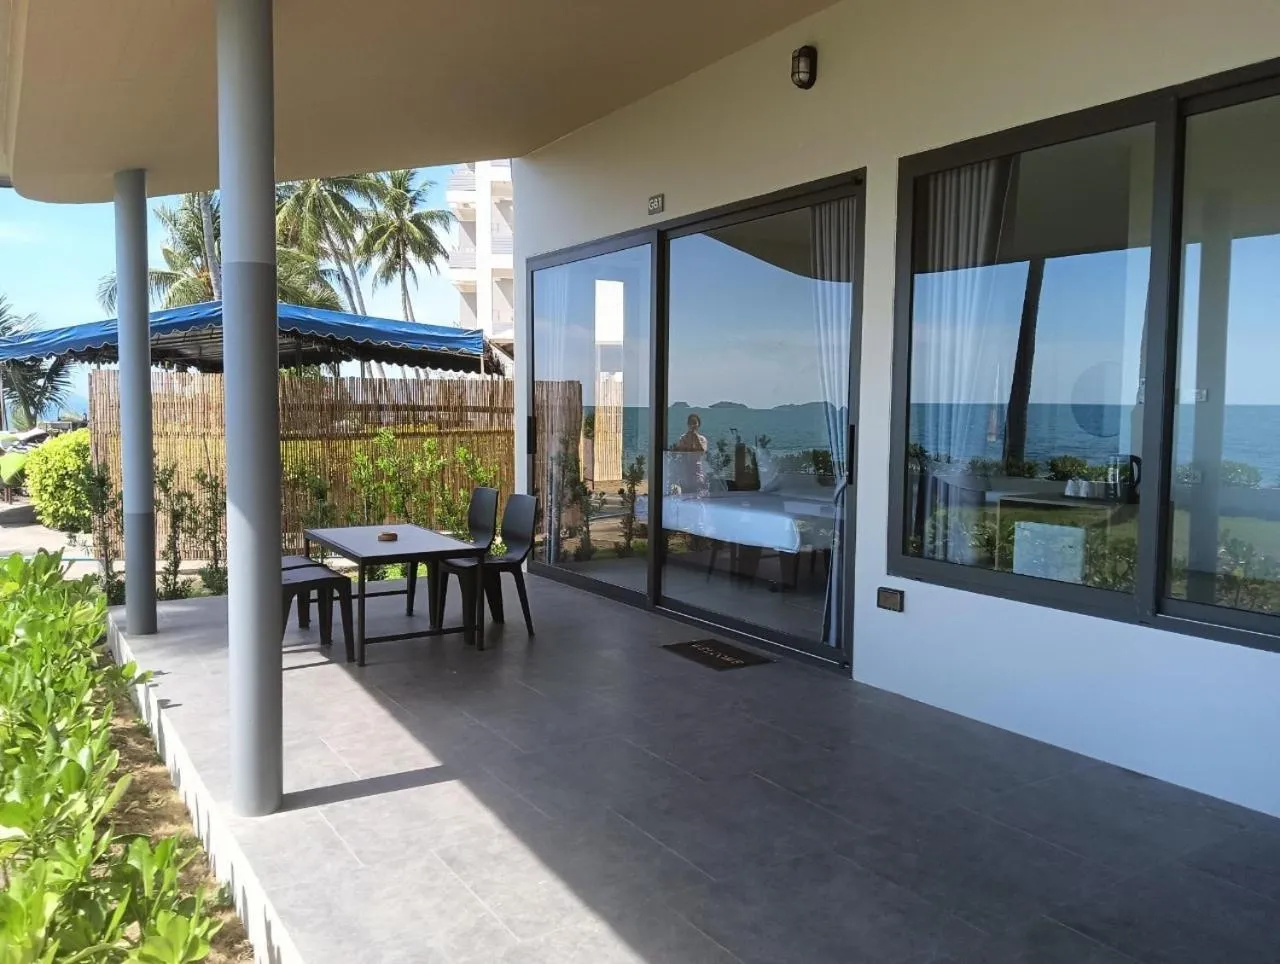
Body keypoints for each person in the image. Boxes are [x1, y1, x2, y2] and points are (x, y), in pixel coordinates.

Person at [672, 412, 708, 494]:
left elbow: (703, 451)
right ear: (688, 425)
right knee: (685, 494)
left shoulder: (702, 439)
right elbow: (680, 451)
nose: (693, 425)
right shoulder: (683, 437)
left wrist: (696, 438)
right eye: (691, 423)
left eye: (695, 423)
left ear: (698, 425)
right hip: (685, 472)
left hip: (697, 471)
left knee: (698, 495)